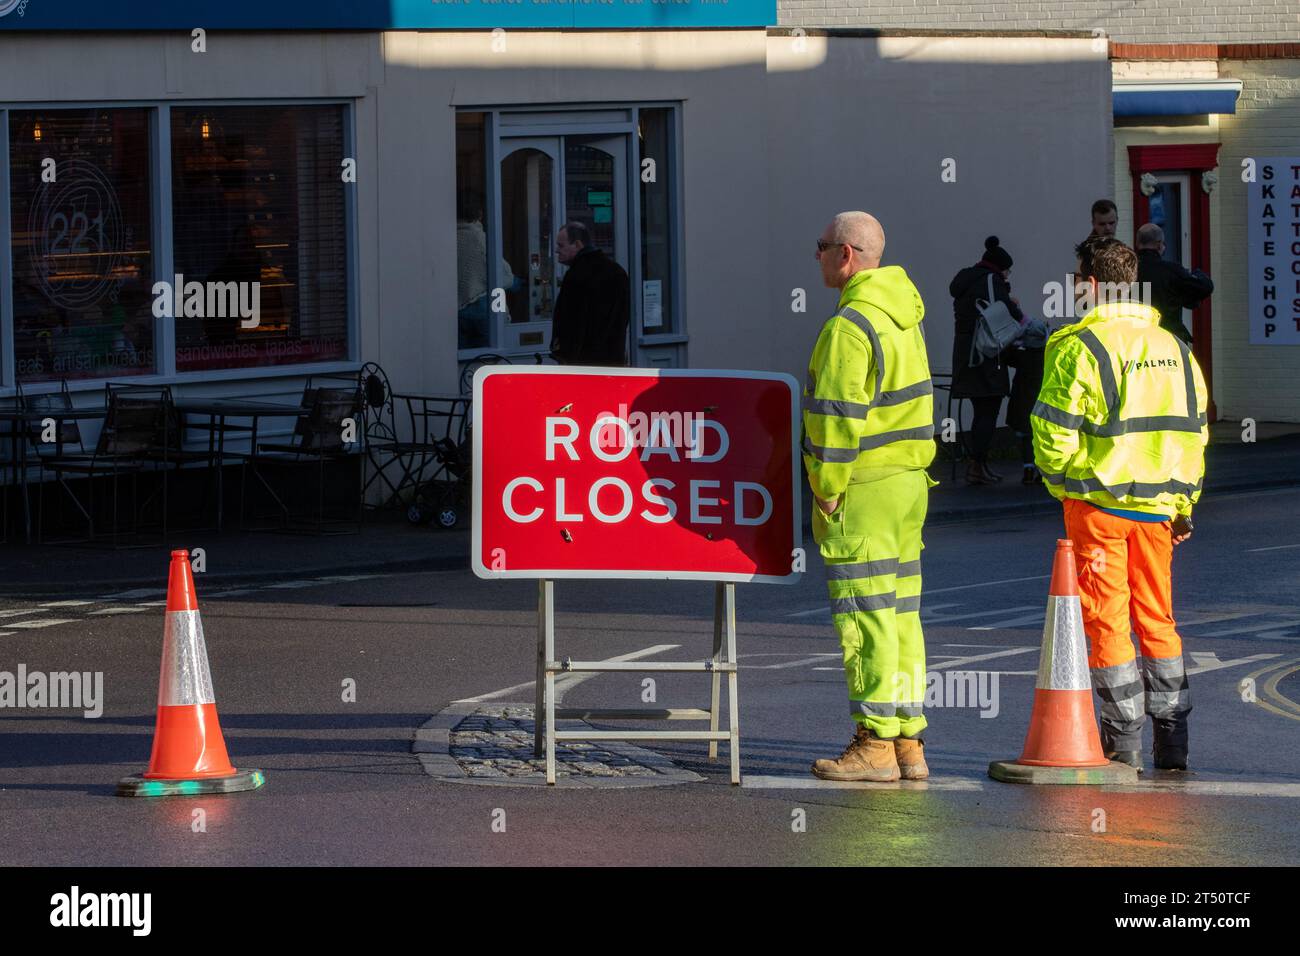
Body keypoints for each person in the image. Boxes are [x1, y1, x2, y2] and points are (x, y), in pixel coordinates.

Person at [1031, 237, 1208, 773]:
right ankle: (1172, 742)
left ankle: (1122, 741)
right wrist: (1183, 504)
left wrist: (1064, 485)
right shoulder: (1175, 347)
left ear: (1087, 285)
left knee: (1107, 622)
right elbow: (1194, 433)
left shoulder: (1078, 346)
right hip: (1158, 511)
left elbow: (1051, 431)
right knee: (1158, 620)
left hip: (1099, 506)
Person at [802, 211, 937, 782]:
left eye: (822, 246)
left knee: (866, 618)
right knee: (902, 616)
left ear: (847, 255)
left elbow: (835, 421)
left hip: (865, 488)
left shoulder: (849, 328)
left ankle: (874, 744)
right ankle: (907, 740)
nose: (818, 256)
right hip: (909, 484)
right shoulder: (903, 315)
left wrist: (827, 490)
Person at [949, 236, 1022, 484]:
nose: (1008, 276)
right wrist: (1024, 322)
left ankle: (977, 465)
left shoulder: (967, 280)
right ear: (1000, 268)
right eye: (1007, 271)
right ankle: (977, 466)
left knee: (980, 410)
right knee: (988, 411)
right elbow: (1003, 311)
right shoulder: (992, 280)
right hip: (986, 355)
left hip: (964, 353)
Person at [550, 222, 630, 366]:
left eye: (561, 245)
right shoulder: (617, 271)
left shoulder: (576, 275)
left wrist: (564, 355)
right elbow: (624, 316)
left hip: (583, 362)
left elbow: (569, 322)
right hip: (613, 358)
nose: (556, 250)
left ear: (578, 244)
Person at [1135, 222, 1214, 344]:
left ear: (1138, 244)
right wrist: (1197, 273)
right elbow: (1205, 287)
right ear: (1159, 245)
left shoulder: (1128, 271)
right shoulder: (1171, 271)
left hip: (1138, 339)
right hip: (1168, 338)